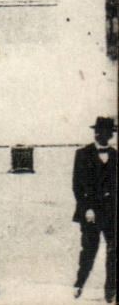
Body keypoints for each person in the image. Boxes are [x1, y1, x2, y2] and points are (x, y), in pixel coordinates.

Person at [73, 115, 117, 301]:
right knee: (89, 249)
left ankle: (111, 290)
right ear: (95, 133)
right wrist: (87, 209)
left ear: (110, 135)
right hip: (91, 211)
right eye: (100, 132)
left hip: (112, 211)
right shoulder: (83, 154)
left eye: (108, 133)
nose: (103, 135)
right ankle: (79, 283)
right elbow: (77, 185)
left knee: (114, 251)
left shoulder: (115, 155)